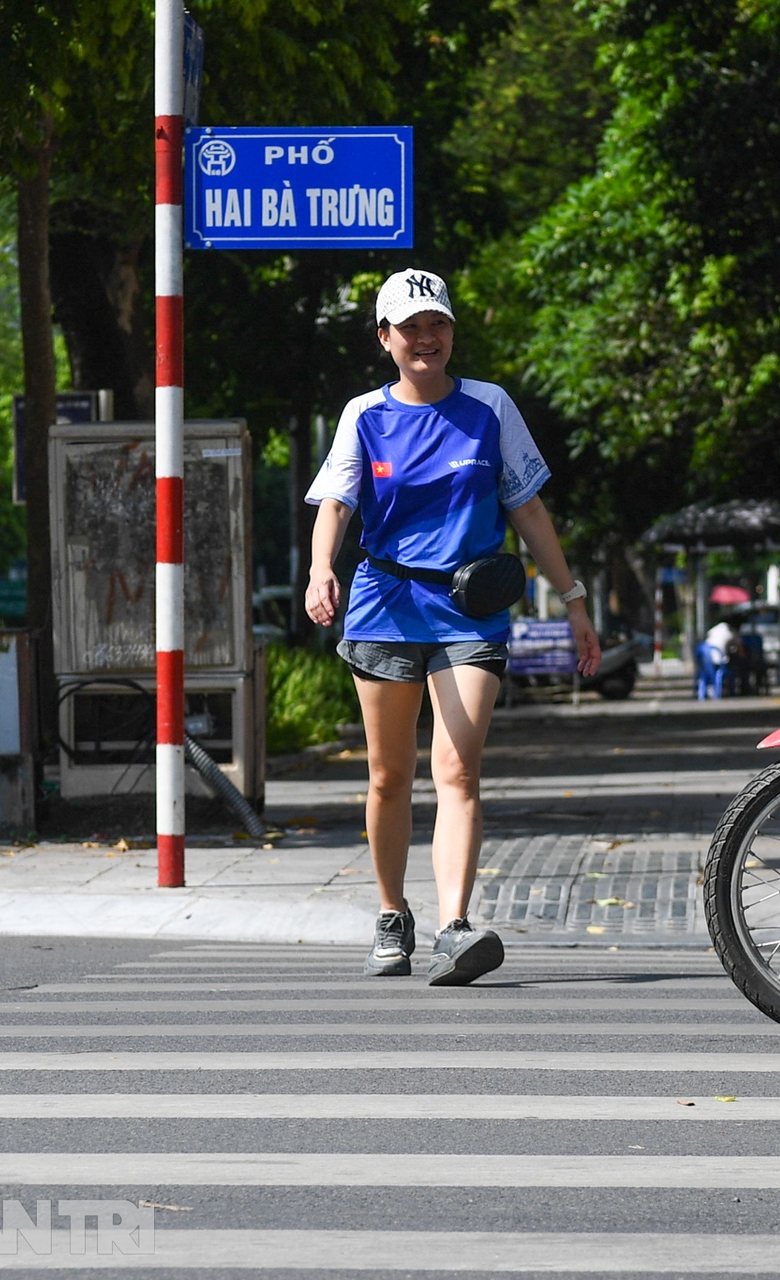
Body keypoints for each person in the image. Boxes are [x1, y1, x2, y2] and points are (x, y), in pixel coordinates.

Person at [305, 268, 601, 983]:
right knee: (387, 777)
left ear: (451, 333)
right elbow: (338, 505)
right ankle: (390, 914)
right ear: (385, 339)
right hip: (384, 604)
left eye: (436, 324)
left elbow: (527, 508)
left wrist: (574, 598)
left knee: (458, 767)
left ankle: (455, 926)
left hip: (471, 609)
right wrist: (322, 569)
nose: (425, 338)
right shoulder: (363, 415)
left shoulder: (489, 407)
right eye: (409, 327)